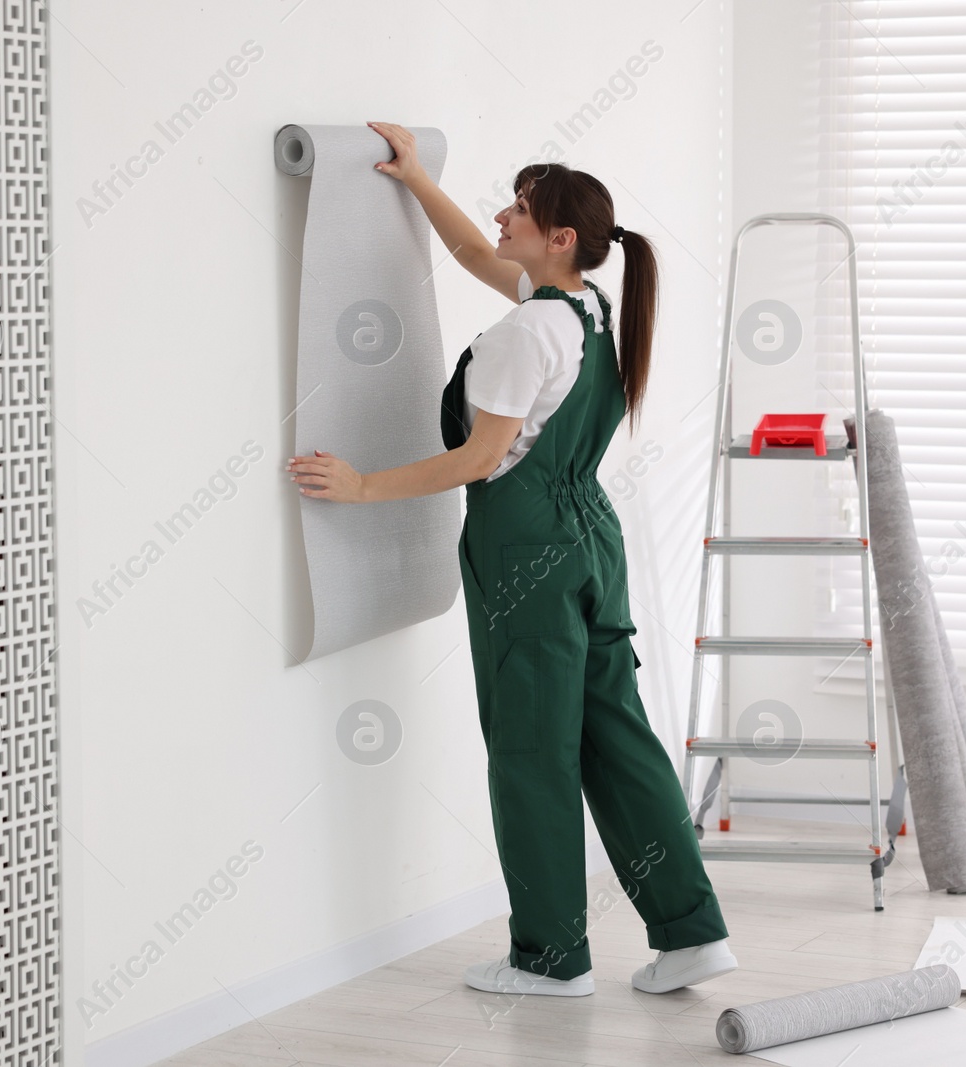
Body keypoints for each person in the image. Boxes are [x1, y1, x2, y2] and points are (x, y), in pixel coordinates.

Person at [288, 121, 736, 997]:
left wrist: (362, 486)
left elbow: (477, 461)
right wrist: (415, 177)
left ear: (558, 237)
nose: (502, 214)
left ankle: (550, 957)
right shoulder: (587, 309)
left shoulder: (526, 333)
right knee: (616, 733)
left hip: (525, 543)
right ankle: (692, 932)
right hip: (589, 539)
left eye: (519, 209)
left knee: (532, 747)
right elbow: (467, 249)